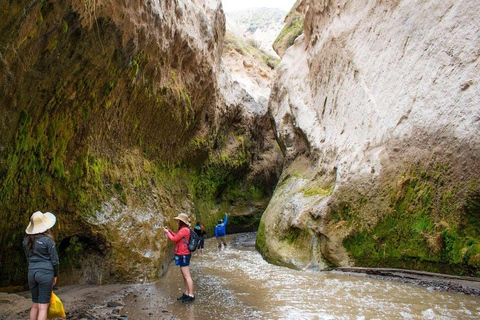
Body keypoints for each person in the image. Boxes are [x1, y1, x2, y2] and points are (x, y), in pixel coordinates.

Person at [23, 211, 59, 320]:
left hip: (32, 273)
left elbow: (28, 258)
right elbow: (55, 261)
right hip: (45, 273)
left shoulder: (26, 240)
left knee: (35, 305)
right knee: (43, 307)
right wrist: (55, 275)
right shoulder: (48, 241)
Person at [163, 213, 195, 303]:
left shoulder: (184, 229)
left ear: (181, 221)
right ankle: (186, 293)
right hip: (182, 254)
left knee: (187, 275)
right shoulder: (183, 229)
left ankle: (191, 295)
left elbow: (174, 239)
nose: (177, 221)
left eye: (178, 220)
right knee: (184, 276)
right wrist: (169, 231)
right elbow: (177, 237)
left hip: (184, 254)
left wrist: (166, 233)